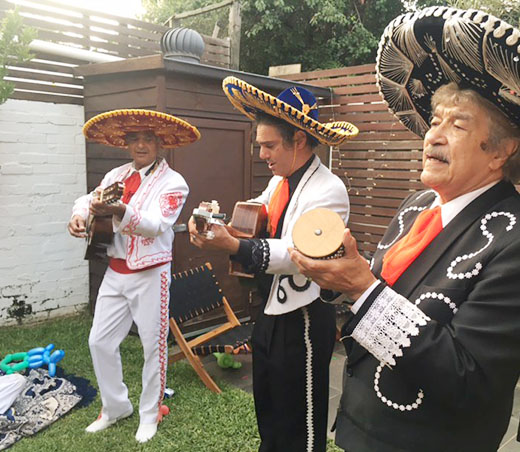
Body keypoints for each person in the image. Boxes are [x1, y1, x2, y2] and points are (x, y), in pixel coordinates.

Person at [289, 7, 520, 452]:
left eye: (458, 124)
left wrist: (360, 287)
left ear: (501, 153)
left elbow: (468, 376)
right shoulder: (419, 206)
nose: (433, 136)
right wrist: (337, 274)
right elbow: (381, 290)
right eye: (434, 121)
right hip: (360, 426)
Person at [188, 77, 358, 452]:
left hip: (304, 318)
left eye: (269, 145)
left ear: (298, 139)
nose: (262, 154)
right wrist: (212, 222)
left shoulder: (328, 190)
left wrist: (232, 243)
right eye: (260, 145)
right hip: (269, 312)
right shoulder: (279, 183)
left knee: (300, 421)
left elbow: (298, 254)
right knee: (269, 409)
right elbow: (255, 220)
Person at [68, 109, 200, 443]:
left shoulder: (175, 183)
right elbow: (90, 198)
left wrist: (119, 210)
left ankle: (150, 412)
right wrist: (79, 214)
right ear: (127, 144)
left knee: (152, 347)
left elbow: (156, 225)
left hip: (151, 274)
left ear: (160, 144)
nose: (140, 145)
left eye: (148, 139)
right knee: (99, 341)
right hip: (115, 270)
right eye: (134, 139)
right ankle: (115, 407)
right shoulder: (117, 173)